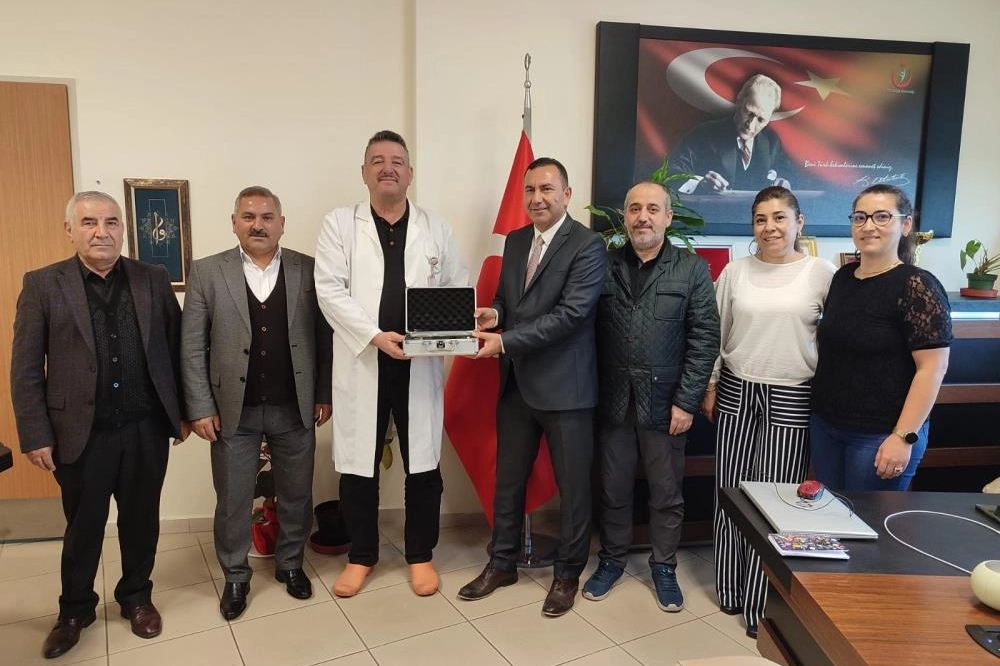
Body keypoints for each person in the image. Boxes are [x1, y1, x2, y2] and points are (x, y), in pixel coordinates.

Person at [11, 191, 188, 659]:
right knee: (83, 528)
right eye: (89, 222)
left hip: (146, 428)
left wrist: (184, 411)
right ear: (69, 230)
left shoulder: (153, 278)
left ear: (123, 229)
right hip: (79, 434)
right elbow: (25, 368)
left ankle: (136, 597)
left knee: (141, 521)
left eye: (111, 222)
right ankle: (74, 611)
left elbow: (177, 349)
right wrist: (35, 433)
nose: (101, 232)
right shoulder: (43, 284)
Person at [314, 130, 468, 598]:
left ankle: (420, 555)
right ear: (364, 172)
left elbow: (455, 286)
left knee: (423, 462)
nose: (388, 168)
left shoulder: (435, 226)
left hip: (418, 362)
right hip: (364, 358)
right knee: (358, 464)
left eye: (397, 161)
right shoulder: (340, 224)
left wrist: (443, 333)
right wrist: (375, 336)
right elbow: (329, 290)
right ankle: (361, 556)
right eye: (378, 160)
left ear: (410, 173)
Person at [457, 157, 607, 617]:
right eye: (530, 190)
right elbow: (510, 300)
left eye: (547, 189)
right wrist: (495, 314)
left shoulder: (588, 245)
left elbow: (570, 315)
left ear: (566, 194)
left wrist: (504, 342)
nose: (537, 198)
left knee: (573, 489)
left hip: (567, 389)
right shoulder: (518, 240)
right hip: (517, 385)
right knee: (508, 482)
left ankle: (567, 575)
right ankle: (501, 564)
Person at [181, 186, 333, 620]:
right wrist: (200, 406)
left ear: (281, 224)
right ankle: (235, 576)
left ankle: (290, 564)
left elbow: (325, 338)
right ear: (234, 223)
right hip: (233, 410)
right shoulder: (207, 272)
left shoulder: (309, 269)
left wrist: (323, 394)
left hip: (294, 405)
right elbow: (192, 346)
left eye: (267, 217)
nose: (258, 225)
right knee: (232, 498)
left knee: (297, 493)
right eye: (248, 217)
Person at [702, 186, 836, 638]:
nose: (770, 227)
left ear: (799, 222)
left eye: (779, 217)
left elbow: (836, 339)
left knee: (776, 498)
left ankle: (762, 602)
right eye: (761, 219)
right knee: (731, 491)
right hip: (737, 388)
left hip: (792, 393)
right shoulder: (735, 272)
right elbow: (717, 333)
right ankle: (730, 586)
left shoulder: (822, 273)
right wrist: (711, 384)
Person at [583, 181, 719, 612]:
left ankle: (664, 567)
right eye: (635, 209)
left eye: (653, 209)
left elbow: (704, 339)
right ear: (624, 217)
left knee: (666, 494)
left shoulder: (691, 269)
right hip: (612, 402)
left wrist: (687, 400)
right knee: (613, 489)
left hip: (666, 405)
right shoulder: (602, 265)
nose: (643, 217)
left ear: (668, 217)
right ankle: (612, 560)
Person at [810, 184, 951, 491]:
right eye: (860, 217)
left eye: (882, 216)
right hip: (826, 426)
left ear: (906, 224)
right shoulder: (842, 278)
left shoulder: (917, 286)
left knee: (868, 520)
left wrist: (903, 436)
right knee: (830, 516)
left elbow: (933, 369)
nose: (868, 225)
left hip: (880, 436)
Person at [671, 74, 795, 193]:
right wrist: (700, 183)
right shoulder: (703, 135)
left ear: (769, 119)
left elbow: (789, 175)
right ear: (739, 101)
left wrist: (784, 183)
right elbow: (671, 173)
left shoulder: (772, 141)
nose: (750, 125)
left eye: (761, 120)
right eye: (749, 113)